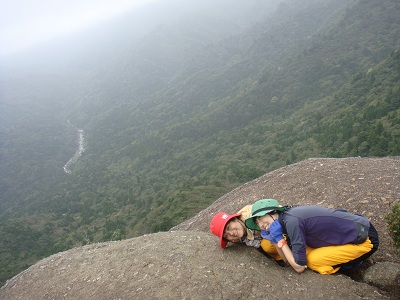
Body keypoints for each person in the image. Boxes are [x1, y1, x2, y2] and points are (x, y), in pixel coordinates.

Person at [245, 199, 379, 274]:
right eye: (257, 222)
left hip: (365, 237)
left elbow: (299, 267)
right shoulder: (286, 219)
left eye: (261, 219)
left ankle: (352, 266)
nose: (261, 224)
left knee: (313, 261)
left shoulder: (292, 221)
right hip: (348, 234)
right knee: (301, 253)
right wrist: (275, 241)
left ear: (273, 213)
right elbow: (287, 261)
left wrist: (279, 239)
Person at [210, 205, 282, 262]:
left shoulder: (252, 216)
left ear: (235, 219)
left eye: (228, 227)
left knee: (268, 245)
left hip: (285, 228)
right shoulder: (240, 238)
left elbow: (279, 214)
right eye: (226, 235)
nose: (231, 233)